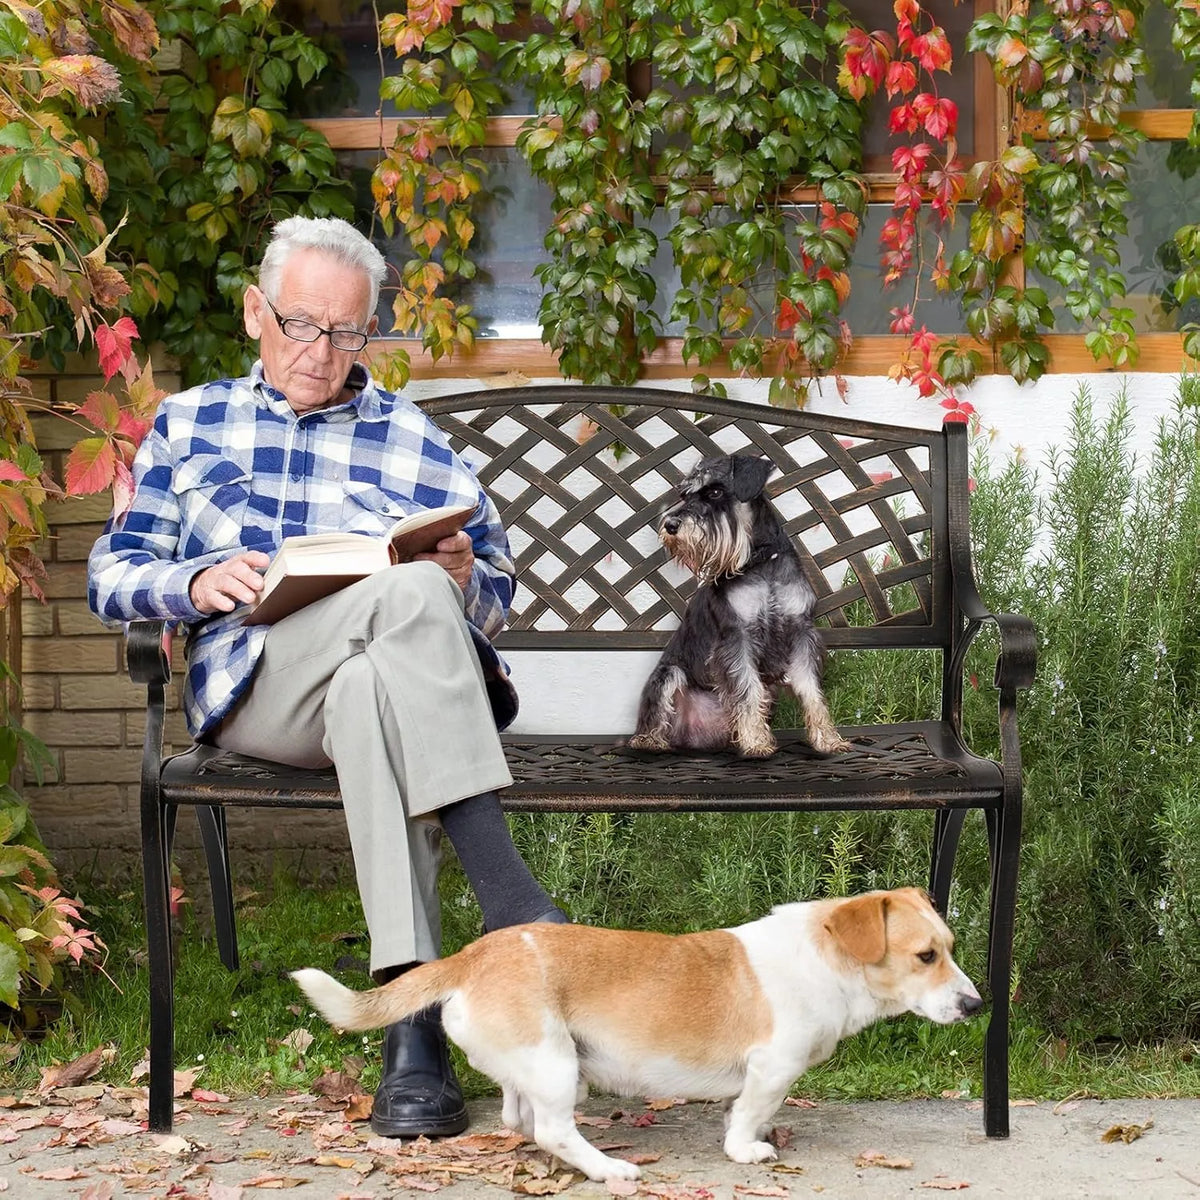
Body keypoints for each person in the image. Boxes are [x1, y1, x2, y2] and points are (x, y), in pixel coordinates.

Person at [88, 215, 566, 1139]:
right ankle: (512, 902)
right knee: (415, 595)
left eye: (349, 333)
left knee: (378, 677)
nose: (324, 353)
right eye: (304, 325)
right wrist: (191, 580)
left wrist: (466, 583)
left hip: (372, 691)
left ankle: (412, 1029)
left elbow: (498, 588)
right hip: (256, 686)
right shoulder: (188, 425)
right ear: (255, 313)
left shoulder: (411, 435)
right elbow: (112, 573)